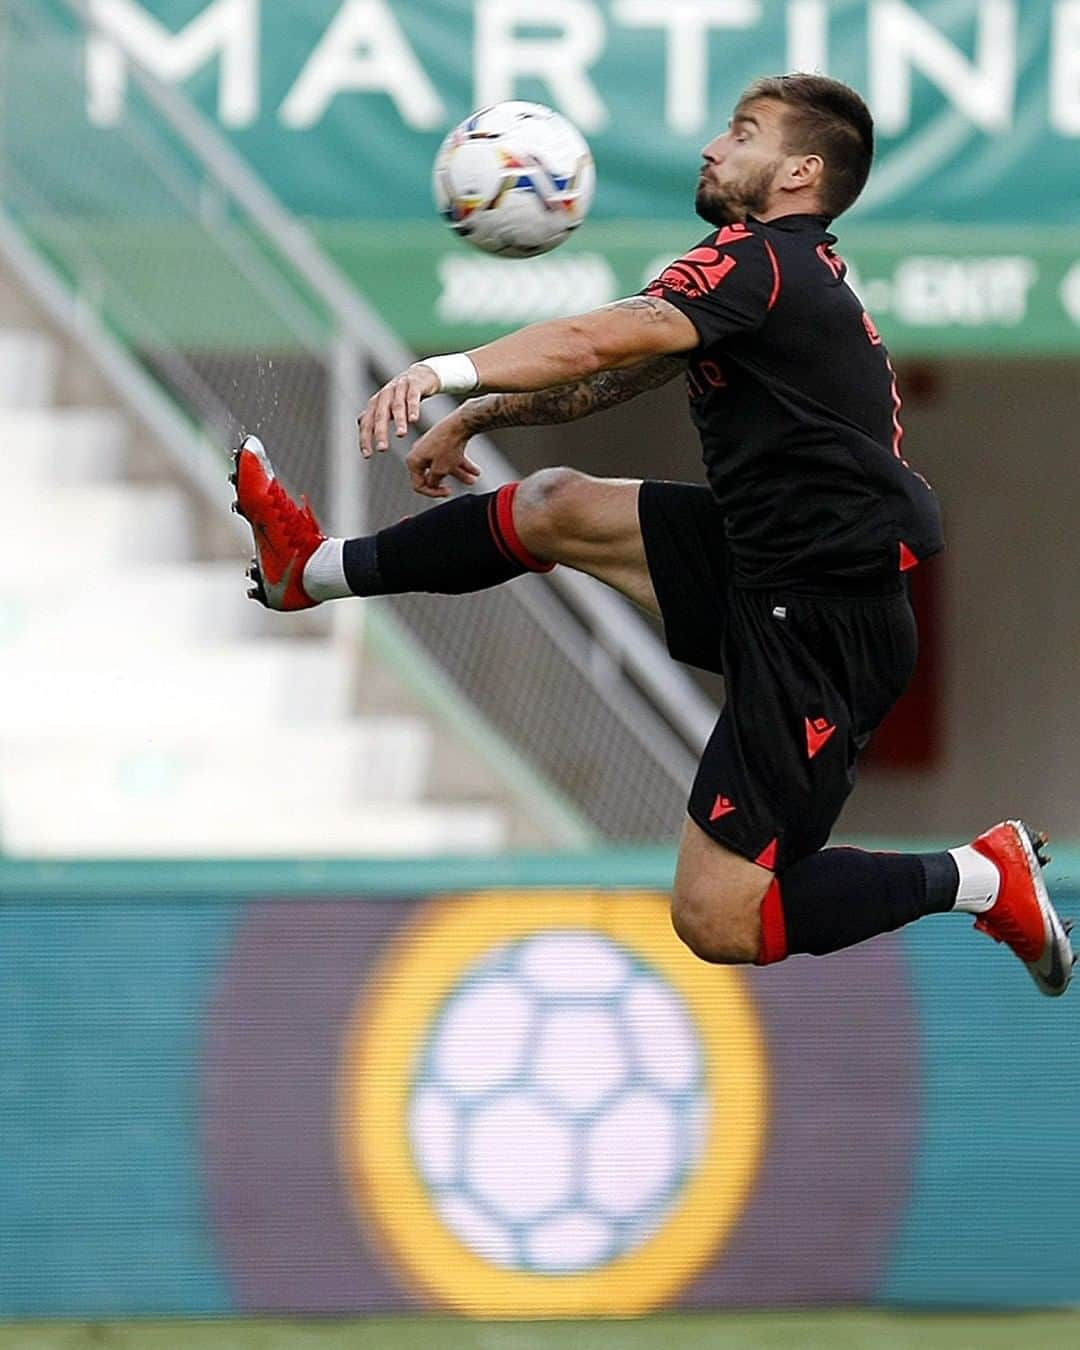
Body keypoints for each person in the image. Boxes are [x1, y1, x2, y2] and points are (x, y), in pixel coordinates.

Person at [231, 74, 1073, 995]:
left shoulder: (764, 262)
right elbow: (620, 372)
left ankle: (980, 876)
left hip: (823, 617)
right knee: (555, 504)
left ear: (800, 170)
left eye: (742, 133)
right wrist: (488, 416)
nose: (715, 147)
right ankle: (307, 568)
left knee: (719, 917)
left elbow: (598, 341)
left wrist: (448, 374)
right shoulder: (759, 271)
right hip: (764, 562)